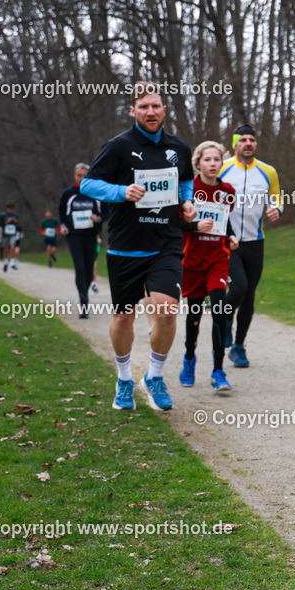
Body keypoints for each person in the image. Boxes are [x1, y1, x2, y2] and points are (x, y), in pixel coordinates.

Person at [79, 81, 196, 412]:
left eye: (156, 106)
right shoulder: (118, 146)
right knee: (123, 319)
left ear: (164, 109)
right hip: (126, 246)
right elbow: (88, 183)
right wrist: (121, 192)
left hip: (166, 243)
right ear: (133, 111)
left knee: (168, 310)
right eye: (143, 107)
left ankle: (155, 376)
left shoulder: (179, 147)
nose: (150, 112)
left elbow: (185, 180)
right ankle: (124, 378)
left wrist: (187, 202)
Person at [219, 124, 281, 368]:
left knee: (249, 296)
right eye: (242, 140)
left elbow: (276, 196)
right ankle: (224, 319)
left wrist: (276, 209)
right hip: (228, 242)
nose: (247, 144)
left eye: (251, 140)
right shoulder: (223, 168)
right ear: (235, 144)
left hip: (255, 242)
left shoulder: (268, 171)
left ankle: (238, 347)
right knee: (239, 288)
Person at [179, 141, 238, 392]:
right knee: (194, 314)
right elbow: (176, 223)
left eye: (217, 160)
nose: (213, 164)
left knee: (219, 309)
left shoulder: (228, 191)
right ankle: (189, 358)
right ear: (198, 163)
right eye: (208, 160)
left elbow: (223, 221)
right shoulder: (188, 188)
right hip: (192, 261)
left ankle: (218, 371)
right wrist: (194, 227)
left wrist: (231, 236)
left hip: (218, 260)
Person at [59, 163, 102, 318]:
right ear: (74, 176)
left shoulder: (96, 194)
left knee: (89, 271)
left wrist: (99, 218)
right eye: (79, 175)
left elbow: (107, 213)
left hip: (91, 236)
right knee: (80, 268)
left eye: (85, 175)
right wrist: (63, 226)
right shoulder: (68, 194)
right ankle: (84, 304)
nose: (82, 178)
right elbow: (62, 213)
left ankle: (85, 294)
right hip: (74, 236)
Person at [0, 203, 22, 271]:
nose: (10, 210)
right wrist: (6, 222)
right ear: (6, 208)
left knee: (12, 247)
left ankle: (12, 262)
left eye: (12, 208)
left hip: (13, 233)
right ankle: (5, 260)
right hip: (5, 234)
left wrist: (16, 222)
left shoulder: (15, 215)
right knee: (5, 248)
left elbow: (18, 225)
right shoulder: (3, 215)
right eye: (9, 208)